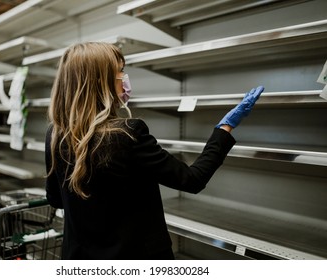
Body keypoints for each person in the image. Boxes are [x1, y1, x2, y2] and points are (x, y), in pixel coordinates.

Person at [45, 41, 264, 260]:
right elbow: (192, 179)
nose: (125, 79)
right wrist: (224, 129)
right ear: (100, 81)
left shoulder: (55, 135)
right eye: (120, 72)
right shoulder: (128, 134)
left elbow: (56, 199)